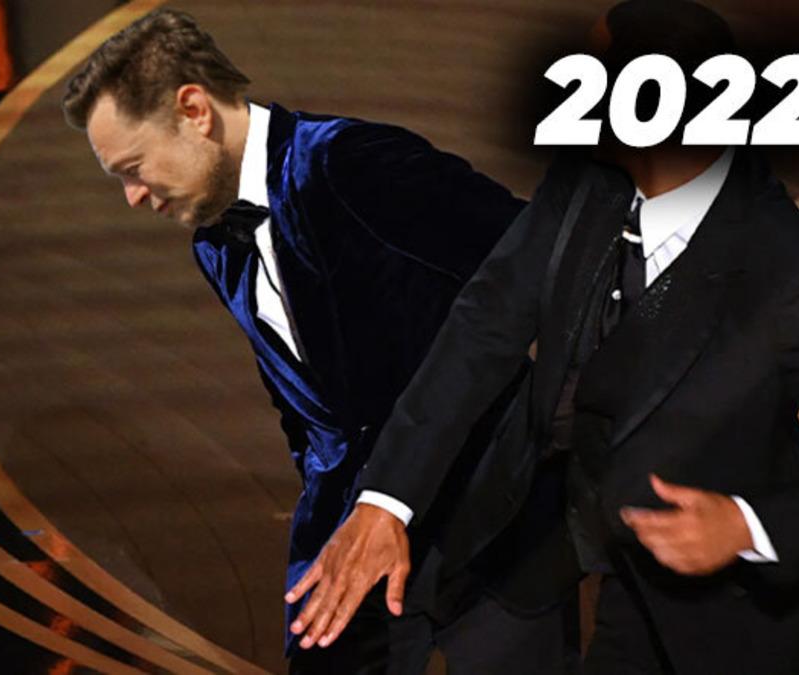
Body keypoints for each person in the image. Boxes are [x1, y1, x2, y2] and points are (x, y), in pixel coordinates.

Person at [287, 2, 799, 673]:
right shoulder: (580, 188)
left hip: (709, 607)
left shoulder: (792, 273)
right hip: (550, 520)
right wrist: (385, 502)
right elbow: (481, 329)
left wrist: (748, 525)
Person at [61, 8, 580, 674]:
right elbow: (304, 412)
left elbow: (540, 260)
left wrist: (559, 427)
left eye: (132, 167)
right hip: (348, 544)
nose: (132, 196)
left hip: (495, 525)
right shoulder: (215, 245)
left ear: (194, 110)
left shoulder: (349, 164)